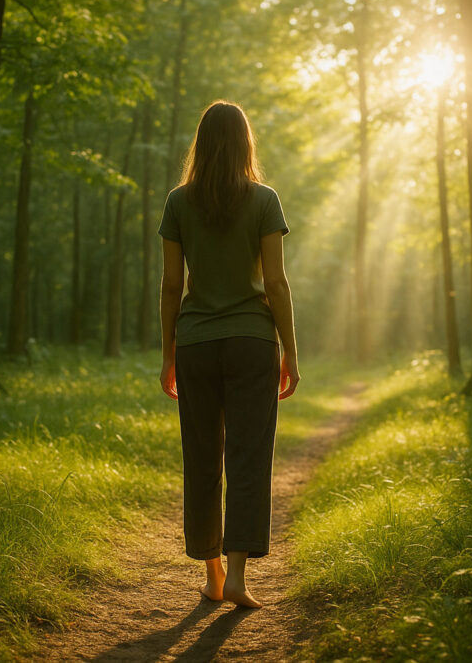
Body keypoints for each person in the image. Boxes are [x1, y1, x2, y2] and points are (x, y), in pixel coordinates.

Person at [158, 100, 299, 609]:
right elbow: (277, 283)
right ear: (245, 143)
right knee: (247, 456)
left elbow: (172, 285)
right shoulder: (264, 199)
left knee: (201, 456)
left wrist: (168, 353)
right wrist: (291, 350)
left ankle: (213, 574)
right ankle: (238, 577)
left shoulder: (178, 202)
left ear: (201, 142)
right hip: (252, 343)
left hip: (195, 343)